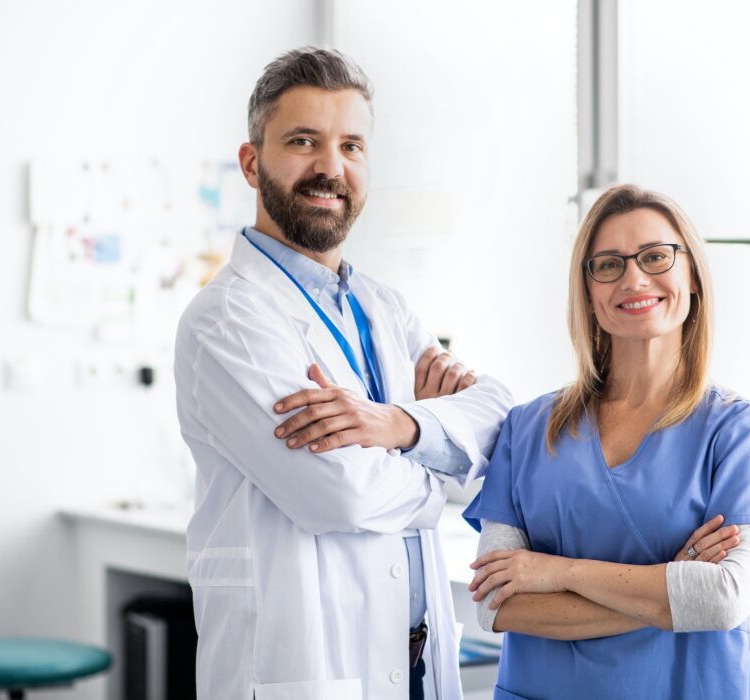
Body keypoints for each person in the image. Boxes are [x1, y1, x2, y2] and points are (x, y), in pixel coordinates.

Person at [174, 47, 514, 700]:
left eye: (351, 146)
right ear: (252, 163)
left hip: (414, 667)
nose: (331, 167)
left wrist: (398, 427)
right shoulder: (230, 319)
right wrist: (440, 464)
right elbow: (340, 495)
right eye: (303, 141)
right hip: (306, 671)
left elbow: (500, 418)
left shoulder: (384, 307)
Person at [463, 184, 750, 700]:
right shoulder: (526, 429)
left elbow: (723, 598)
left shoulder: (738, 431)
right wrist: (669, 589)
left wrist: (555, 571)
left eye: (656, 256)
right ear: (588, 292)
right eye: (609, 264)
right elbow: (495, 605)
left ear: (692, 276)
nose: (634, 278)